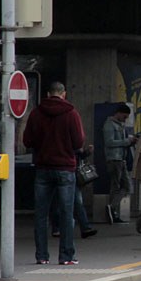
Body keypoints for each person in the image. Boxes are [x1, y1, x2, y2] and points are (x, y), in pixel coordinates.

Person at [23, 82, 86, 266]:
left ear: (49, 93)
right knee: (67, 213)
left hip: (43, 168)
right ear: (63, 94)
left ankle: (41, 256)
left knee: (41, 215)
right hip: (65, 168)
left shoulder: (36, 113)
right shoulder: (71, 113)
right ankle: (66, 256)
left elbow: (27, 140)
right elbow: (78, 141)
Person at [103, 103, 135, 224]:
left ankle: (112, 209)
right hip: (114, 159)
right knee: (121, 186)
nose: (125, 119)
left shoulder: (119, 125)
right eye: (125, 117)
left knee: (121, 186)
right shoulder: (109, 125)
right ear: (119, 113)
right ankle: (112, 208)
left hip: (121, 159)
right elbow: (109, 142)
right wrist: (127, 141)